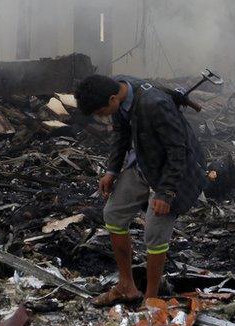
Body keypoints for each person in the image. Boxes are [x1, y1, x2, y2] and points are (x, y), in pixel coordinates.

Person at [74, 74, 207, 306]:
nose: (101, 117)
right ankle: (127, 286)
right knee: (113, 214)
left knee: (154, 234)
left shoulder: (154, 104)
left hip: (172, 173)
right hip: (144, 164)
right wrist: (112, 170)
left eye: (100, 112)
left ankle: (151, 298)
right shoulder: (120, 88)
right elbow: (121, 134)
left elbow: (178, 150)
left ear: (113, 98)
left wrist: (166, 193)